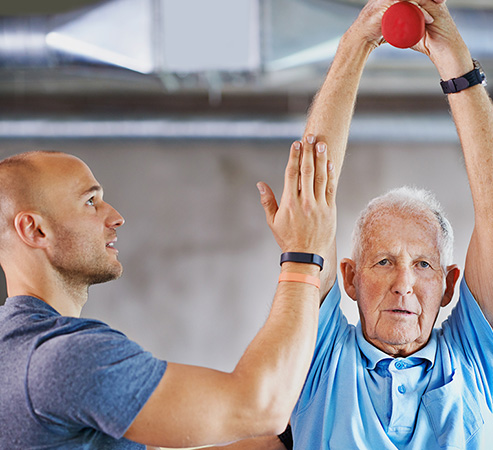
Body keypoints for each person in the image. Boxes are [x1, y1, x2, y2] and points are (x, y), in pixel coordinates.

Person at [217, 0, 493, 448]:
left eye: (423, 265)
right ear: (350, 278)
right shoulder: (320, 356)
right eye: (382, 262)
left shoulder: (473, 360)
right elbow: (312, 196)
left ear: (449, 284)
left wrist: (455, 60)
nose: (403, 283)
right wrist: (357, 42)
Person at [0, 136, 336, 448]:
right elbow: (263, 407)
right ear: (35, 229)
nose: (116, 217)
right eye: (90, 202)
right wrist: (302, 254)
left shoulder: (15, 350)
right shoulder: (64, 358)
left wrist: (285, 440)